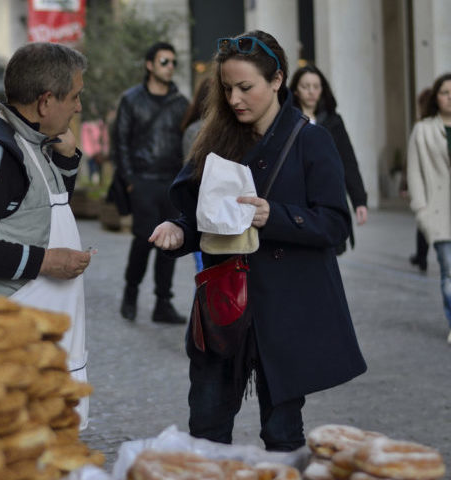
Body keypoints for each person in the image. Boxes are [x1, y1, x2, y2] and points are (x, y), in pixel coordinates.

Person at [149, 30, 366, 450]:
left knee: (282, 434)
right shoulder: (215, 138)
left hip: (284, 309)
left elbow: (335, 224)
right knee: (207, 428)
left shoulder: (312, 140)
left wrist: (275, 216)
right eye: (227, 88)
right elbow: (203, 216)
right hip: (223, 304)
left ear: (277, 79)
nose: (234, 99)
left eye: (245, 87)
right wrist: (180, 230)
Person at [0, 42, 92, 428]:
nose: (78, 107)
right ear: (45, 102)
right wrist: (47, 261)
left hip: (36, 335)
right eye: (74, 96)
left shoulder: (30, 138)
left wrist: (66, 161)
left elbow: (41, 210)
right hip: (7, 338)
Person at [114, 41, 189, 324]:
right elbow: (121, 142)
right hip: (143, 181)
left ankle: (163, 303)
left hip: (171, 182)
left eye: (173, 62)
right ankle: (131, 292)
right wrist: (130, 181)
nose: (170, 67)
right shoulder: (131, 99)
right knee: (143, 240)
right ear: (149, 65)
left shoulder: (181, 103)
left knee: (170, 243)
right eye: (164, 61)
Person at [406, 73, 451, 345]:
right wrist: (421, 210)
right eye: (445, 92)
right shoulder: (423, 130)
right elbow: (414, 172)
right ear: (436, 97)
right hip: (440, 212)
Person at [289, 65, 368, 254]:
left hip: (326, 197)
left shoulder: (334, 121)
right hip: (296, 198)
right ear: (296, 90)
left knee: (327, 250)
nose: (311, 91)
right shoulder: (287, 120)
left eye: (316, 86)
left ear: (322, 89)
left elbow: (347, 161)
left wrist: (359, 200)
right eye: (305, 86)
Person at [180, 77, 212, 273]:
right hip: (204, 206)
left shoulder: (191, 129)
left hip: (197, 205)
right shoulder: (199, 130)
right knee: (206, 268)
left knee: (203, 268)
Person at [407, 87, 433, 272]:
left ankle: (421, 256)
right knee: (423, 219)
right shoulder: (420, 128)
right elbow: (411, 163)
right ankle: (421, 256)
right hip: (425, 184)